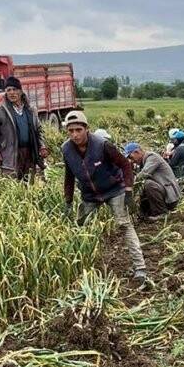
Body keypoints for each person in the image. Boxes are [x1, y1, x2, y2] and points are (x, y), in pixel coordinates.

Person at [62, 111, 146, 283]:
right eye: (70, 131)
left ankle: (140, 268)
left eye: (78, 130)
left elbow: (125, 165)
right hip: (90, 194)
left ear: (87, 129)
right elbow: (69, 176)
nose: (74, 135)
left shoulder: (103, 145)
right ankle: (79, 267)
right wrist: (68, 202)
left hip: (113, 189)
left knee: (124, 225)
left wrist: (128, 190)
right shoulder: (66, 149)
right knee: (79, 226)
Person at [0, 76, 47, 182]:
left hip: (29, 152)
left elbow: (39, 130)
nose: (12, 93)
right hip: (10, 153)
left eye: (15, 89)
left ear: (21, 91)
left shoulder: (31, 109)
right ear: (5, 92)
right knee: (11, 183)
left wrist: (42, 146)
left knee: (29, 182)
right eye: (8, 90)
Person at [124, 141, 182, 219]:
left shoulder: (152, 157)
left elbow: (143, 175)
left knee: (148, 184)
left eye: (131, 157)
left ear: (137, 152)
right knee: (144, 186)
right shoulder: (142, 162)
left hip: (170, 197)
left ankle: (161, 213)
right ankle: (146, 213)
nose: (131, 160)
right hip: (164, 192)